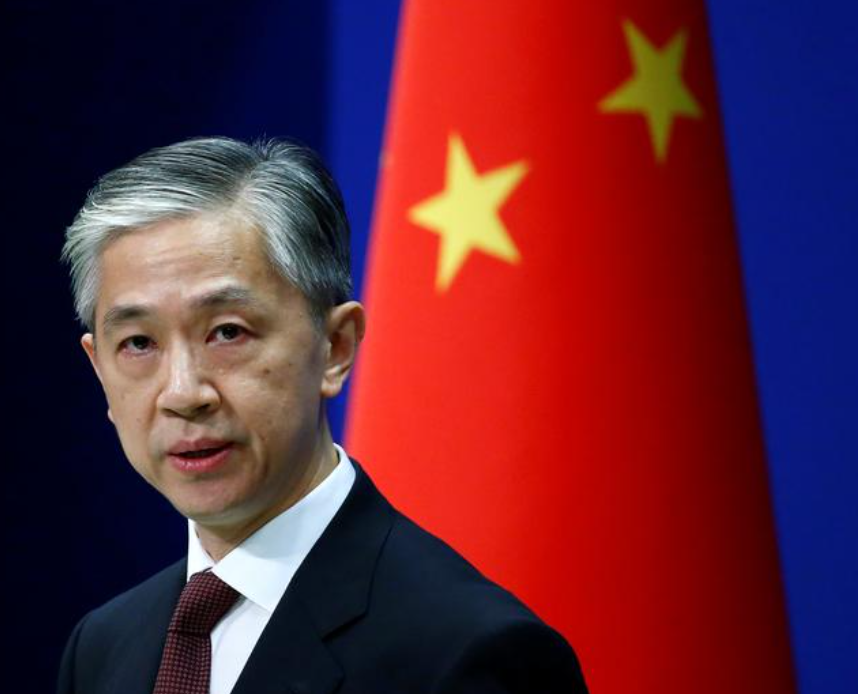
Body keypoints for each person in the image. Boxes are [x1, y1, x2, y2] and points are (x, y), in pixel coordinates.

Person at [57, 136, 587, 694]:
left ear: (335, 347)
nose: (184, 393)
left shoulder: (471, 653)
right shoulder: (102, 649)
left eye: (228, 332)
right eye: (139, 344)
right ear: (100, 369)